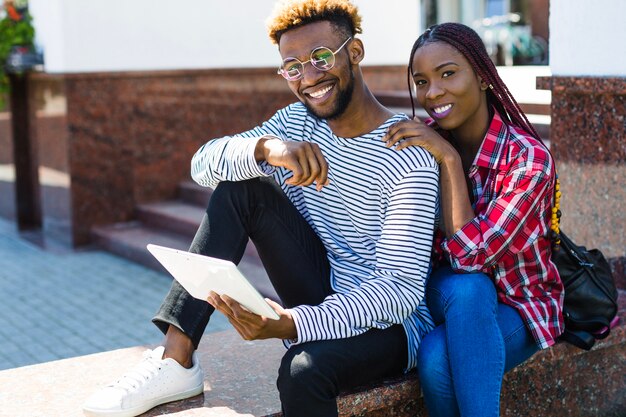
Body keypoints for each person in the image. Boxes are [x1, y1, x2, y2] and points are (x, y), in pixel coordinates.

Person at [83, 1, 439, 416]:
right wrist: (266, 148)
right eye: (293, 67)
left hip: (392, 326)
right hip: (321, 284)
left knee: (302, 371)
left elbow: (399, 290)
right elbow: (203, 163)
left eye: (321, 58)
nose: (309, 77)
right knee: (240, 189)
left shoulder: (406, 154)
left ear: (354, 52)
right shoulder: (296, 124)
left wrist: (292, 324)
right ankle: (175, 360)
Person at [383, 22, 564, 417]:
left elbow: (470, 258)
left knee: (435, 354)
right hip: (443, 292)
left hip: (519, 302)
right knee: (468, 292)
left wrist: (448, 161)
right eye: (421, 81)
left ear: (483, 76)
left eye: (448, 74)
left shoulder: (527, 160)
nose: (432, 93)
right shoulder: (418, 147)